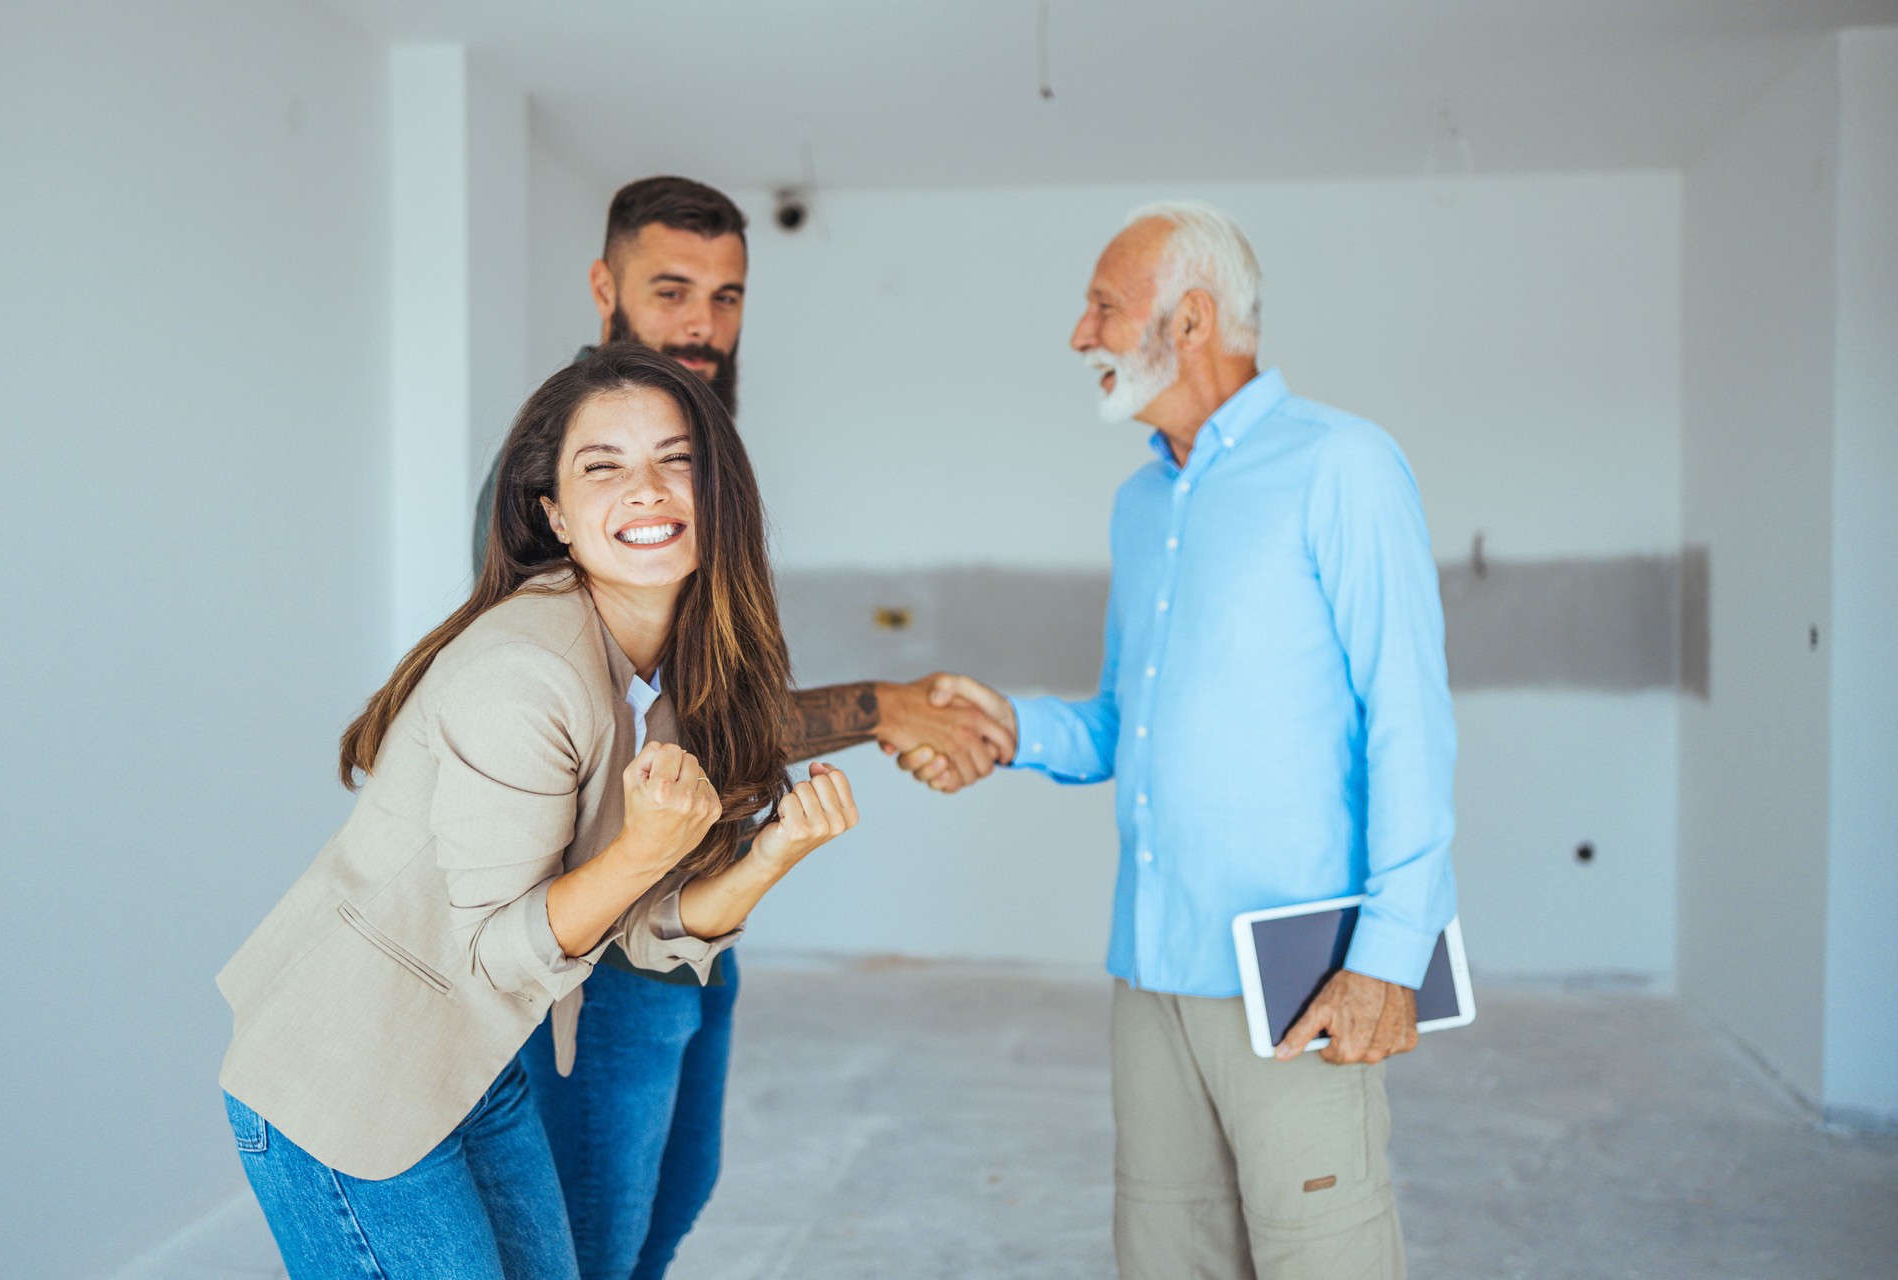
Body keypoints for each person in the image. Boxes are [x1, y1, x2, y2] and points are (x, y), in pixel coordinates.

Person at [216, 343, 863, 1280]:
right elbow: (497, 955)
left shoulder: (674, 672)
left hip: (473, 1069)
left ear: (721, 492)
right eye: (604, 467)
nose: (646, 489)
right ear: (554, 514)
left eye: (675, 459)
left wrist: (770, 857)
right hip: (346, 1077)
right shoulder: (524, 670)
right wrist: (643, 852)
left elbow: (641, 934)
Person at [898, 203, 1458, 1279]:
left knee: (1322, 1257)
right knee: (1165, 1257)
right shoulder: (1139, 503)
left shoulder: (1344, 464)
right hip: (1152, 968)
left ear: (1190, 319)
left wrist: (1392, 955)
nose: (1080, 335)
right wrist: (1007, 727)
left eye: (1104, 306)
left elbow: (1409, 717)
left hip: (1304, 973)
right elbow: (1124, 719)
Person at [487, 175, 1010, 1280]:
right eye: (671, 290)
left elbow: (706, 712)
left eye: (727, 296)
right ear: (603, 287)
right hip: (606, 950)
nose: (703, 325)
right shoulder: (564, 475)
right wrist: (881, 706)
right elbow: (642, 738)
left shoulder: (708, 455)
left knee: (670, 1207)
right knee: (592, 1244)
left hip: (699, 920)